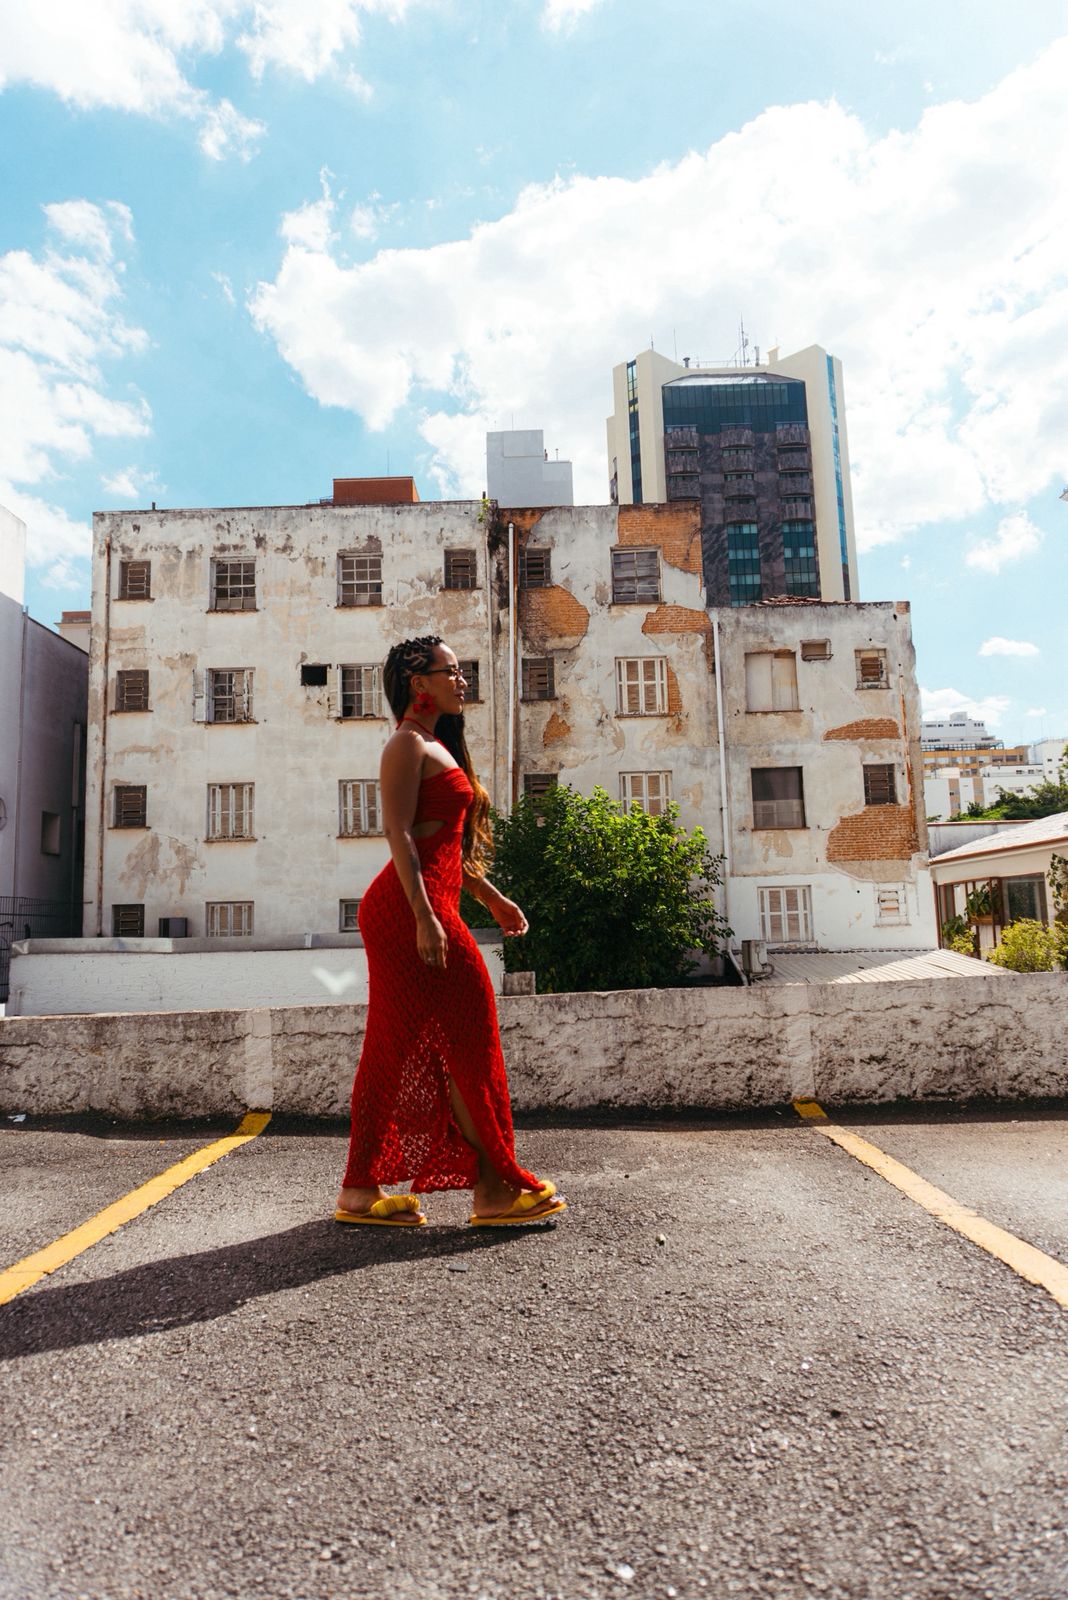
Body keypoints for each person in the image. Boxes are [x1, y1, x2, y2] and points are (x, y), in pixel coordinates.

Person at [336, 634, 566, 1229]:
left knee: (416, 1044)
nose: (462, 681)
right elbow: (400, 836)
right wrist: (425, 917)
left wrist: (491, 897)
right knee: (455, 1038)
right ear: (420, 683)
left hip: (431, 909)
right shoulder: (405, 745)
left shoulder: (436, 744)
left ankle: (364, 1190)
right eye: (452, 671)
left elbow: (443, 846)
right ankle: (490, 1192)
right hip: (406, 914)